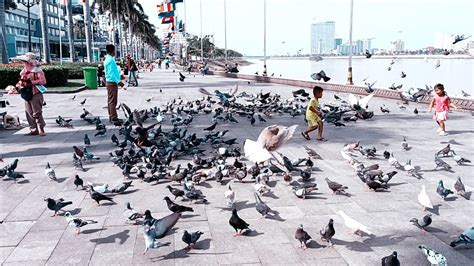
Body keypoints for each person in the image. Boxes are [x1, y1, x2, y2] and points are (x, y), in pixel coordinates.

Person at [14, 52, 47, 136]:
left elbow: (43, 81)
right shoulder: (24, 72)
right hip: (26, 94)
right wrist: (18, 86)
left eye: (25, 62)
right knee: (28, 112)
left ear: (30, 62)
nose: (24, 64)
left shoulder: (38, 71)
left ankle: (41, 128)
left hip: (36, 93)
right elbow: (20, 81)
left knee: (37, 112)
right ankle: (33, 129)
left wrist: (32, 82)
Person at [104, 44, 123, 123]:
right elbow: (111, 73)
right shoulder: (110, 60)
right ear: (112, 51)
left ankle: (111, 115)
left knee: (110, 100)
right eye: (114, 50)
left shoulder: (107, 59)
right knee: (113, 100)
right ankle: (114, 117)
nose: (115, 52)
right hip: (112, 82)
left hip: (109, 82)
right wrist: (118, 82)